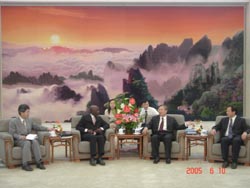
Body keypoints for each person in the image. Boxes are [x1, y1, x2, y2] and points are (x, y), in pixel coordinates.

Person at [8, 104, 53, 171]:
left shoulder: (29, 120)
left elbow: (37, 126)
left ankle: (39, 162)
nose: (28, 113)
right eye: (27, 112)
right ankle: (25, 164)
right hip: (19, 140)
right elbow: (12, 133)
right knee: (27, 143)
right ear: (21, 113)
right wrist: (21, 137)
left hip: (28, 137)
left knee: (35, 141)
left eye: (29, 112)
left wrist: (47, 128)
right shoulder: (13, 121)